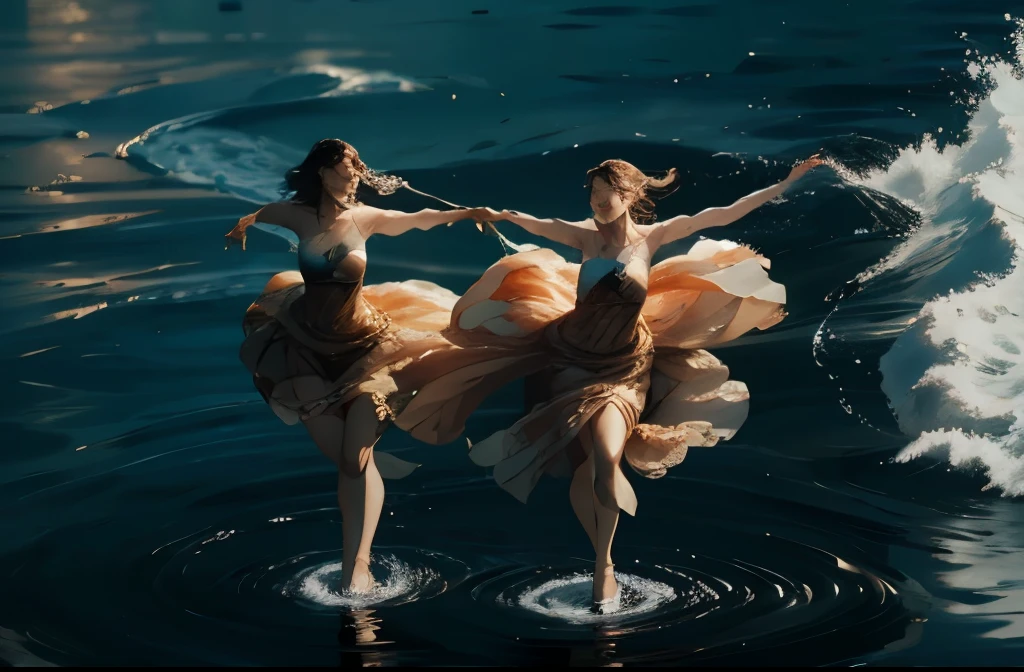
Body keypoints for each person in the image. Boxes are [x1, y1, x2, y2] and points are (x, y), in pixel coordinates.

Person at [395, 155, 823, 612]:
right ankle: (603, 565)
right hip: (571, 360)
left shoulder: (651, 239)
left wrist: (786, 181)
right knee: (589, 464)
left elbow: (723, 214)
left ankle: (604, 568)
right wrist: (491, 214)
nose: (598, 204)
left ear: (630, 196)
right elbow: (534, 223)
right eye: (593, 196)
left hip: (624, 368)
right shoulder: (583, 236)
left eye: (607, 196)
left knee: (605, 458)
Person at [225, 138, 489, 593]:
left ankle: (356, 567)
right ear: (323, 172)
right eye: (346, 166)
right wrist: (242, 227)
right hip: (305, 345)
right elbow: (261, 213)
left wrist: (466, 214)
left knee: (354, 458)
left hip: (366, 346)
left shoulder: (363, 219)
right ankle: (356, 564)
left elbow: (416, 220)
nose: (354, 173)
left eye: (355, 166)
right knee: (350, 463)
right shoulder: (297, 216)